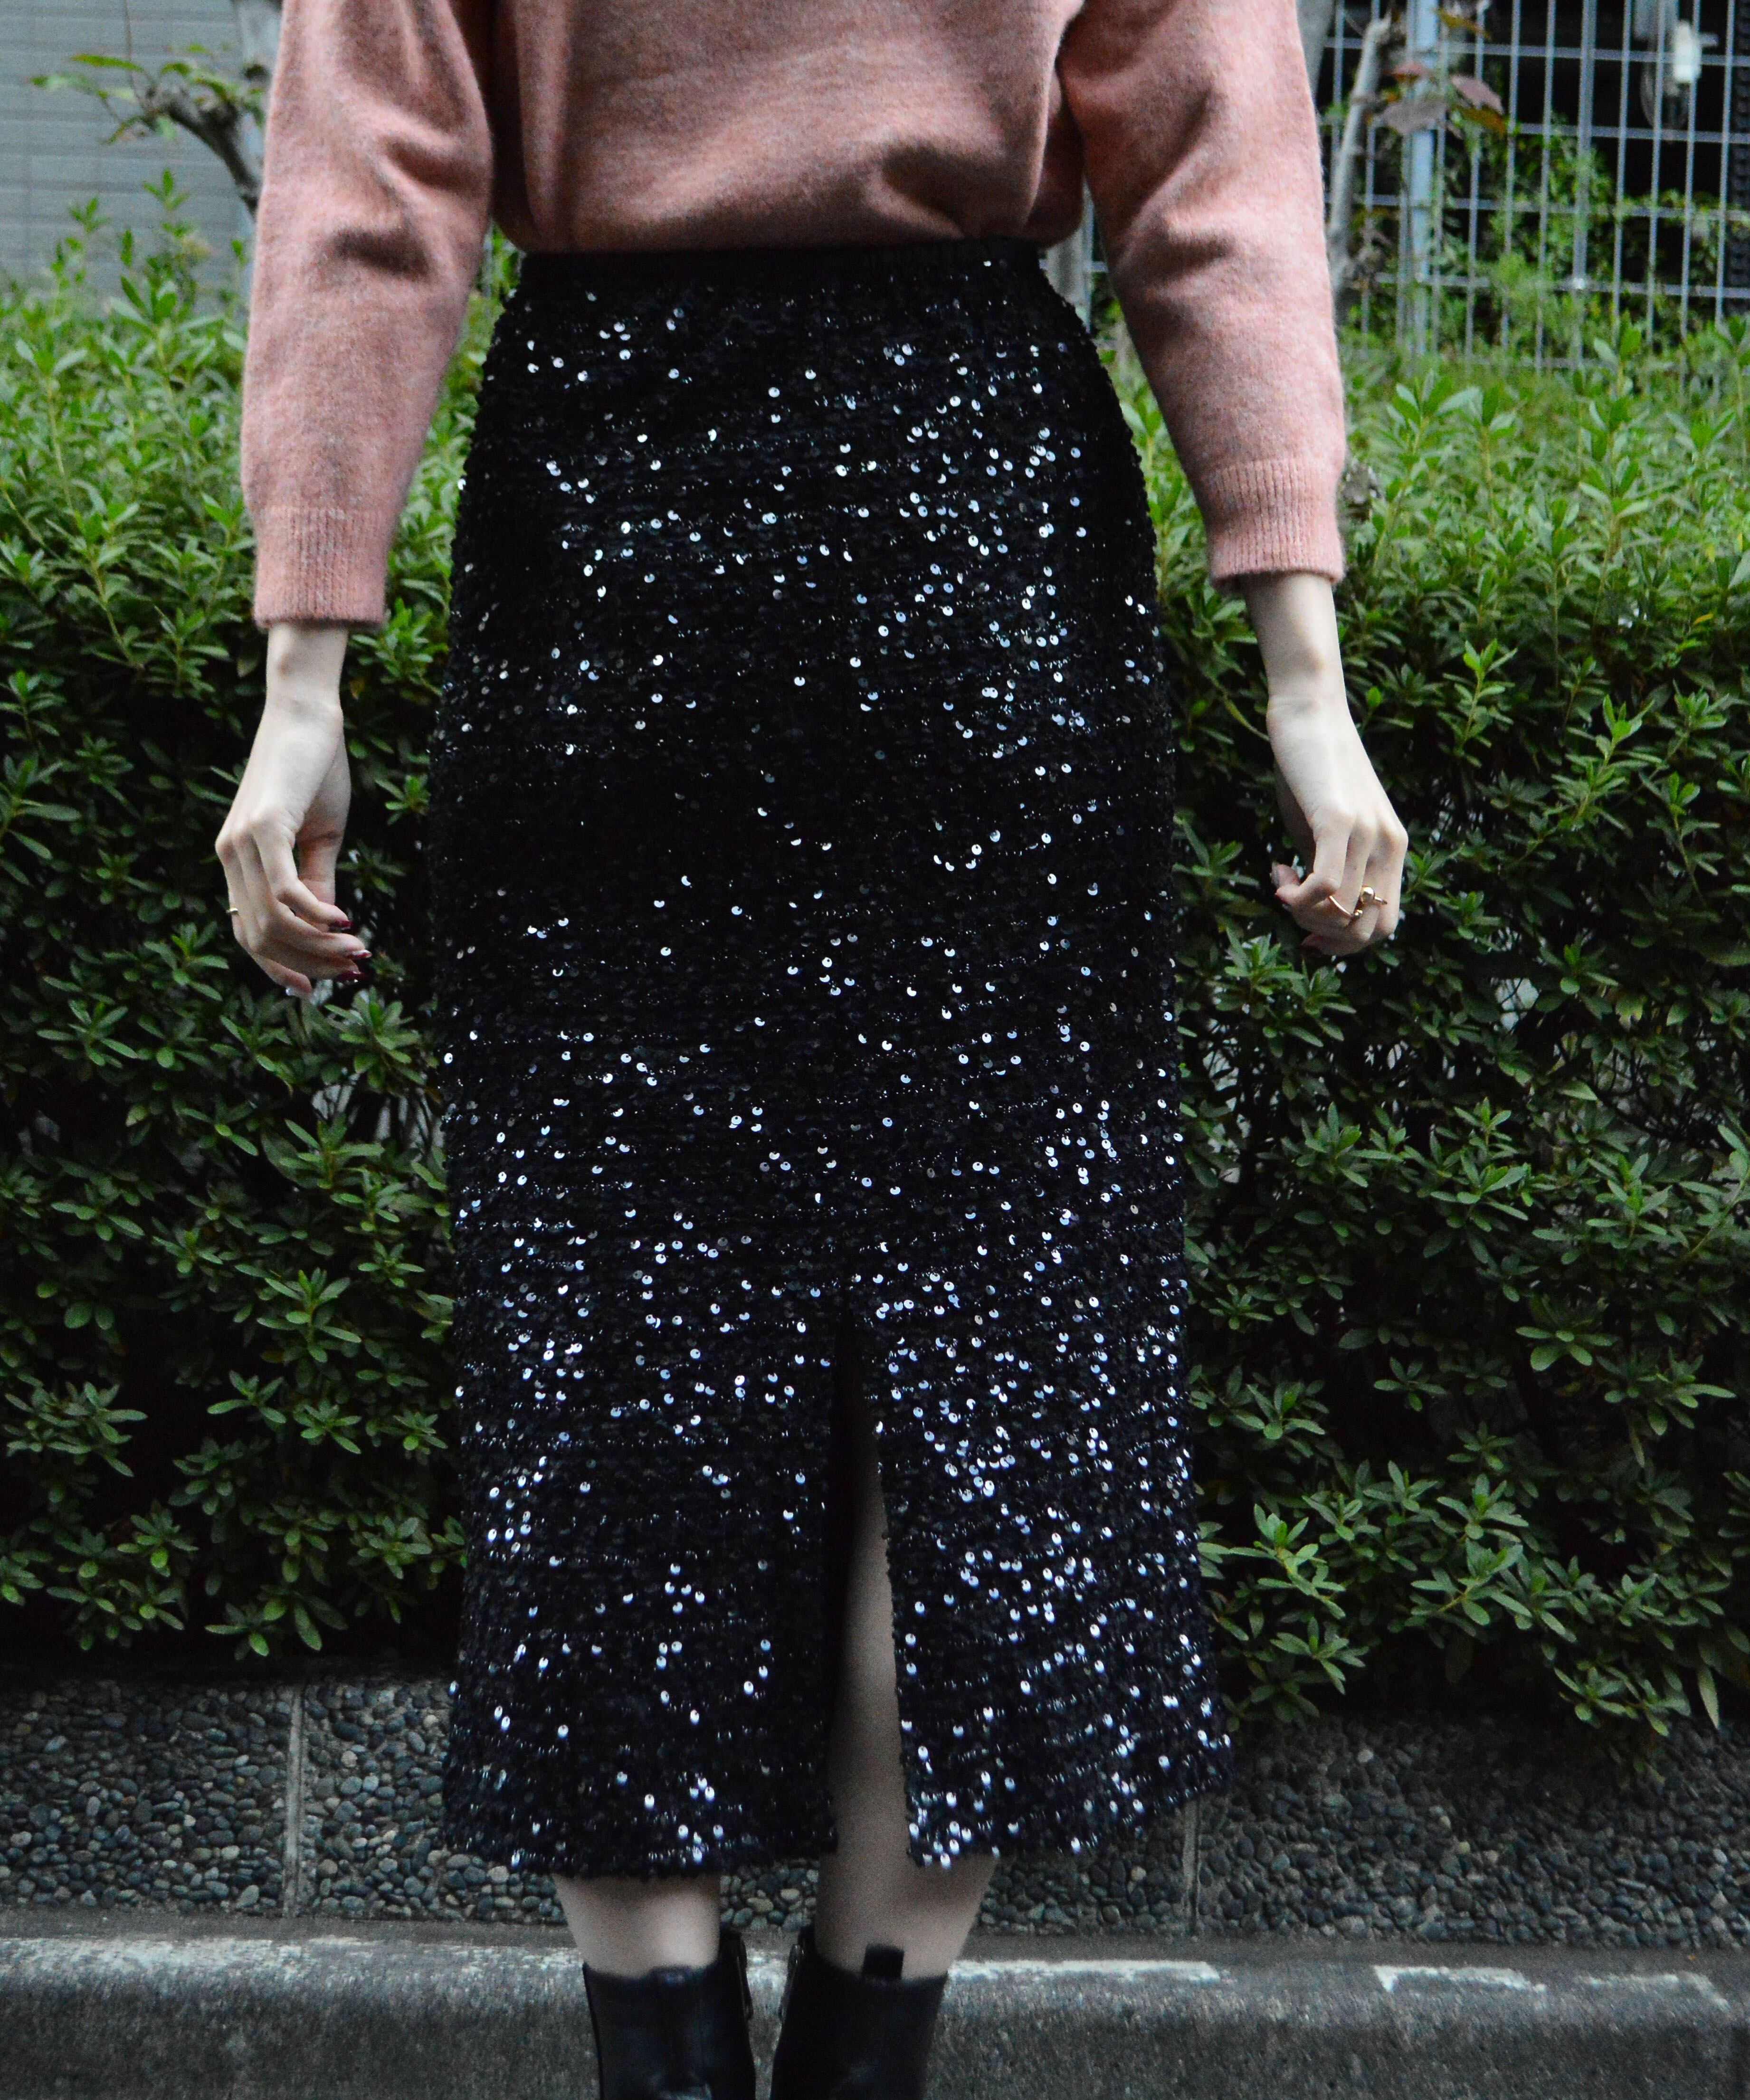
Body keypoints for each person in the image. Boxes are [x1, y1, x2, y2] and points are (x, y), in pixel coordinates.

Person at [217, 0, 1407, 2093]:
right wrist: (1301, 674)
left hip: (618, 540)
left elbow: (368, 199)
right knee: (970, 1377)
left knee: (619, 1361)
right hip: (973, 541)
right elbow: (1213, 179)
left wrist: (306, 678)